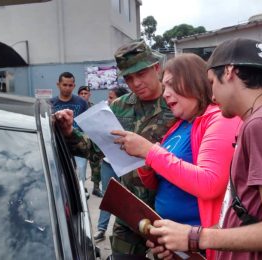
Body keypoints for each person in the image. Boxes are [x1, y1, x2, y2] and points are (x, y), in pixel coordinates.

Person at [147, 38, 262, 259]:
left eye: (212, 82)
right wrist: (184, 239)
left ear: (230, 72)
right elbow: (248, 212)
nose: (212, 96)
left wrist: (195, 237)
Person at [112, 53, 240, 259]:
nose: (165, 93)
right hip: (179, 245)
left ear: (193, 82)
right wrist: (146, 168)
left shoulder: (219, 119)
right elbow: (166, 181)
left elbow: (209, 183)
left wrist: (149, 151)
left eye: (171, 85)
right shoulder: (180, 124)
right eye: (165, 86)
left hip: (204, 243)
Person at [55, 39, 176, 256]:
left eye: (141, 74)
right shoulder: (119, 107)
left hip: (170, 215)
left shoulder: (177, 101)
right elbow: (95, 149)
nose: (135, 82)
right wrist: (69, 133)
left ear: (156, 68)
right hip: (130, 213)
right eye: (129, 78)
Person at [94, 86, 130, 242]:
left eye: (111, 97)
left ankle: (125, 229)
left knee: (126, 197)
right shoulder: (105, 115)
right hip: (108, 163)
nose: (108, 101)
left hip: (127, 164)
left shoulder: (130, 115)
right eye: (108, 97)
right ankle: (101, 228)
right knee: (107, 195)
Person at [50, 72, 89, 184]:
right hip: (59, 145)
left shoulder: (82, 102)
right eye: (64, 85)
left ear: (74, 86)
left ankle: (81, 194)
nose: (67, 88)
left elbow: (87, 123)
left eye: (70, 85)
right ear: (58, 85)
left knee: (80, 174)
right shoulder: (51, 103)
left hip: (78, 143)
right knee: (60, 176)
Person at [77, 85, 103, 198]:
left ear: (89, 95)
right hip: (79, 140)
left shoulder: (93, 107)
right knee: (80, 167)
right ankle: (82, 188)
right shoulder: (76, 107)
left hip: (93, 141)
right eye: (81, 93)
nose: (83, 95)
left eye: (85, 93)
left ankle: (96, 188)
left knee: (96, 165)